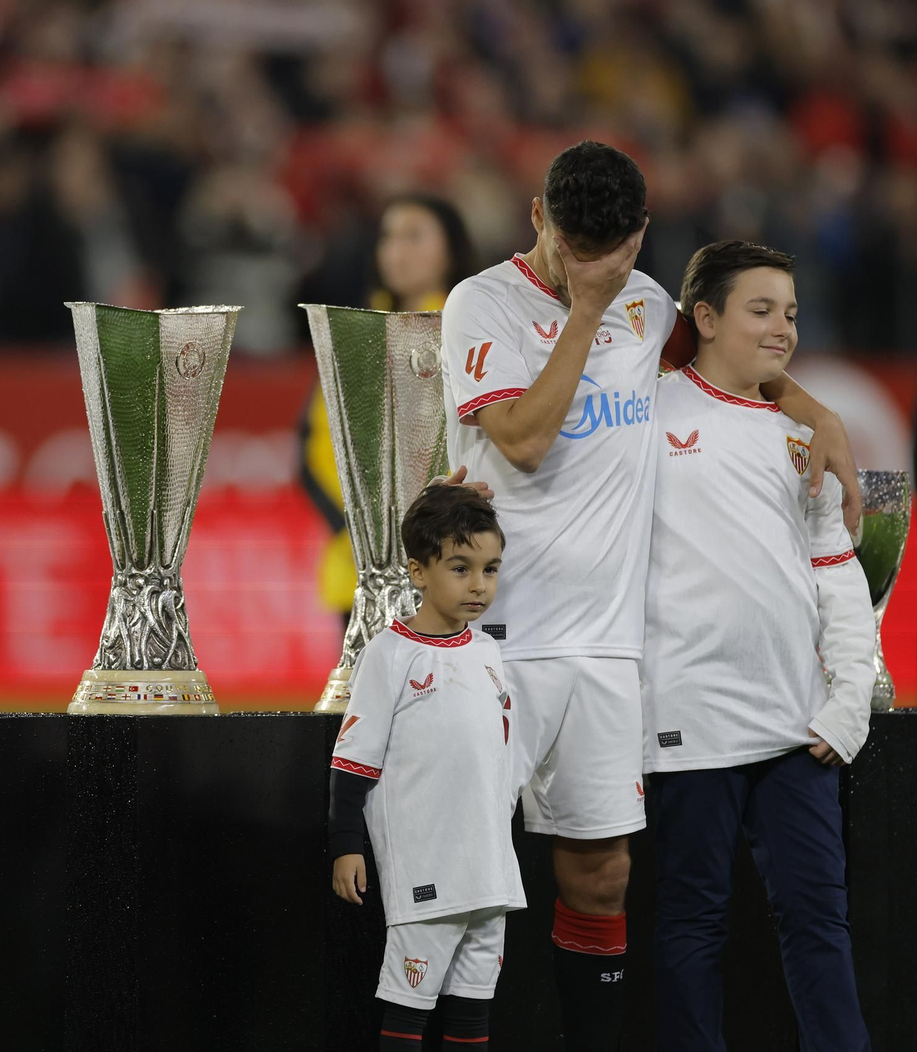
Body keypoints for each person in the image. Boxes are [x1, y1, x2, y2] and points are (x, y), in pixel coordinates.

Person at [438, 141, 861, 1049]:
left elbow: (734, 367)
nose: (589, 267)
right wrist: (587, 309)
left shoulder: (651, 301)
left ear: (641, 234)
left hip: (604, 648)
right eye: (570, 246)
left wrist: (817, 412)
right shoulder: (484, 302)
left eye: (615, 250)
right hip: (497, 632)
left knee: (602, 877)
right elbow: (520, 440)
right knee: (463, 875)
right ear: (537, 217)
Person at [643, 240, 875, 1050]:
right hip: (685, 721)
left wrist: (849, 701)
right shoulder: (644, 411)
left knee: (820, 921)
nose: (783, 329)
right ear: (703, 318)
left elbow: (836, 571)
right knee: (690, 926)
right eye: (762, 309)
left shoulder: (803, 434)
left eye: (792, 314)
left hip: (794, 730)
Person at [329, 484, 523, 1049]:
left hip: (489, 871)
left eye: (490, 569)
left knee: (472, 1014)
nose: (479, 585)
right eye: (461, 568)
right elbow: (352, 762)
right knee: (408, 1013)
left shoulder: (489, 653)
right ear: (418, 571)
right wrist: (347, 845)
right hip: (427, 871)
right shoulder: (389, 655)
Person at [300, 196, 477, 628]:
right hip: (361, 559)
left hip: (450, 552)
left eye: (414, 236)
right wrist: (362, 525)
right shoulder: (351, 334)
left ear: (451, 249)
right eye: (388, 237)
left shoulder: (473, 330)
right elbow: (314, 446)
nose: (397, 250)